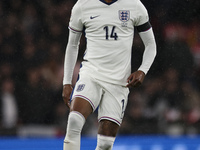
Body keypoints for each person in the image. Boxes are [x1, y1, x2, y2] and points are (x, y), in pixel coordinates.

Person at [62, 0, 157, 149]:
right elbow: (72, 45)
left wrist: (142, 70)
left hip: (119, 81)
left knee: (105, 143)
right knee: (74, 119)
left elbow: (151, 44)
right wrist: (66, 82)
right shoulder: (83, 5)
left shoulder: (135, 5)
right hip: (91, 74)